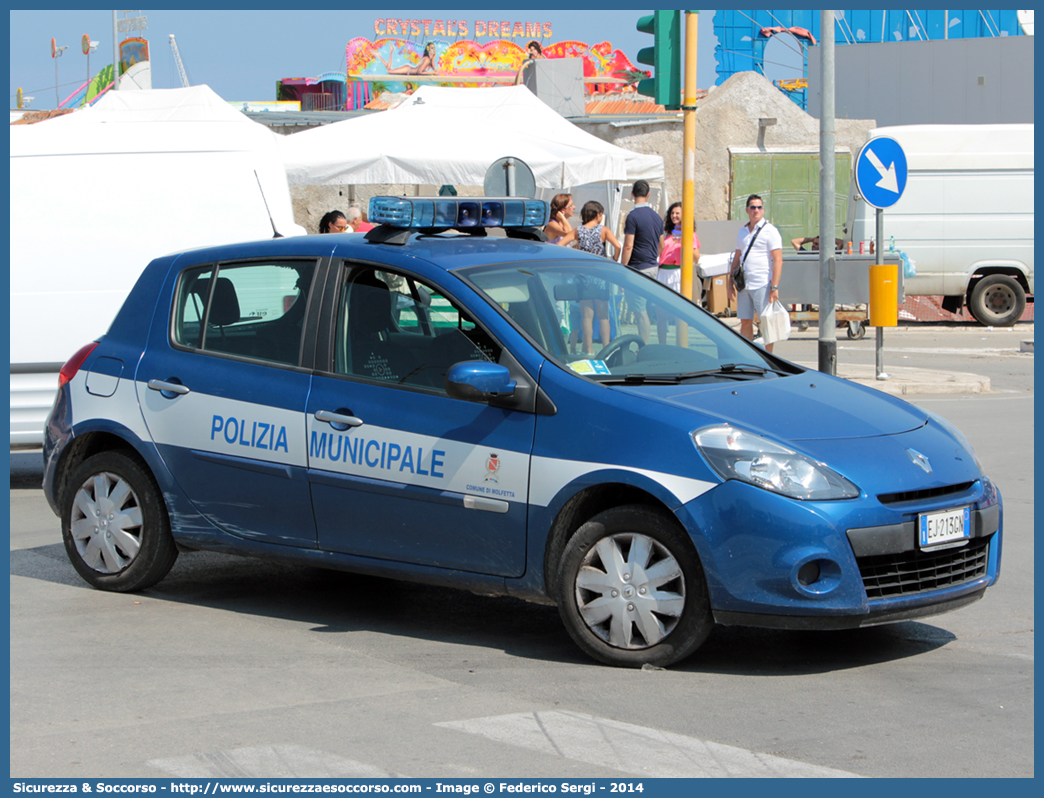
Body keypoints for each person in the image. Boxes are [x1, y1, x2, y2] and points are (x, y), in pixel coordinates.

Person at [558, 200, 621, 355]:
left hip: (583, 276)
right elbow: (618, 246)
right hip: (600, 276)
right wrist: (612, 259)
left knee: (587, 316)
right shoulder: (603, 230)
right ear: (598, 215)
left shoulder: (578, 231)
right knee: (603, 315)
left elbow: (560, 245)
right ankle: (607, 348)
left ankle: (588, 348)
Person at [729, 194, 783, 351]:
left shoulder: (770, 231)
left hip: (762, 284)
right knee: (745, 321)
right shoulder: (743, 232)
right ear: (747, 210)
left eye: (759, 207)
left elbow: (778, 260)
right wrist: (729, 284)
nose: (756, 210)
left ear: (763, 209)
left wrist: (774, 287)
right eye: (753, 207)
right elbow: (736, 258)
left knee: (766, 322)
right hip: (744, 284)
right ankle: (749, 354)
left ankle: (769, 356)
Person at [620, 180, 664, 343]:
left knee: (639, 311)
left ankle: (643, 345)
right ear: (648, 195)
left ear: (632, 194)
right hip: (653, 267)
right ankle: (645, 343)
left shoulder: (632, 216)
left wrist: (623, 268)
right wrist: (652, 256)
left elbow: (628, 245)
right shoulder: (657, 217)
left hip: (637, 268)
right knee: (644, 308)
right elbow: (662, 245)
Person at [655, 201, 700, 344]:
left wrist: (685, 243)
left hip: (677, 273)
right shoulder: (666, 233)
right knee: (660, 312)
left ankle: (680, 344)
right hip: (662, 272)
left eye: (677, 213)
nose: (674, 216)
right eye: (672, 213)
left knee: (678, 313)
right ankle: (662, 344)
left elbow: (696, 257)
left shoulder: (689, 234)